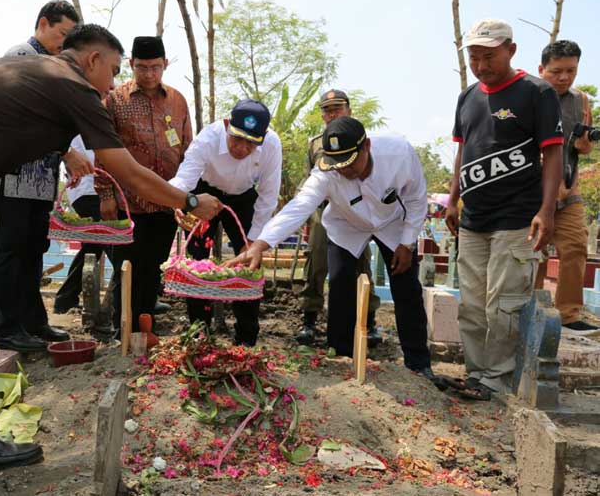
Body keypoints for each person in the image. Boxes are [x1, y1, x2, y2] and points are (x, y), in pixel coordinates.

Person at [0, 23, 222, 475]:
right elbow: (124, 170)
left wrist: (64, 155)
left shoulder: (35, 69)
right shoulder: (74, 85)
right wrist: (188, 200)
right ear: (92, 60)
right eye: (112, 70)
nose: (112, 84)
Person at [229, 117, 432, 374]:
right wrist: (261, 244)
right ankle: (341, 356)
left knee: (406, 288)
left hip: (393, 225)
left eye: (350, 163)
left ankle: (418, 363)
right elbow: (298, 207)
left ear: (366, 146)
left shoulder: (399, 153)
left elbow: (416, 198)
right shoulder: (326, 172)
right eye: (338, 165)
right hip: (345, 225)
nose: (344, 170)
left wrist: (407, 242)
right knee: (339, 284)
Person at [445, 19, 562, 400]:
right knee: (473, 305)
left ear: (511, 50)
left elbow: (553, 151)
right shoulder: (466, 97)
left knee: (504, 305)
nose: (481, 65)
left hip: (517, 217)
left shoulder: (536, 92)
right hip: (475, 217)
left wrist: (547, 210)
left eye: (489, 56)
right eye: (474, 57)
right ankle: (478, 375)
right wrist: (452, 198)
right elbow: (462, 150)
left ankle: (497, 379)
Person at [0, 0, 79, 353]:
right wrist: (65, 150)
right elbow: (24, 118)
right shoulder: (22, 56)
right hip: (14, 174)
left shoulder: (53, 63)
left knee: (33, 250)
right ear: (43, 23)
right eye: (62, 34)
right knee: (9, 250)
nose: (65, 43)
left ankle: (34, 321)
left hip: (40, 179)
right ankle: (8, 327)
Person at [98, 36, 192, 334]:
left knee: (153, 268)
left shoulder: (177, 100)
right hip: (128, 201)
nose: (149, 74)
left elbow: (188, 150)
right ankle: (121, 329)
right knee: (127, 269)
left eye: (155, 67)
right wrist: (106, 193)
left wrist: (185, 196)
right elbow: (102, 150)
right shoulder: (115, 100)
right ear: (131, 65)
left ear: (165, 65)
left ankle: (145, 328)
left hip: (166, 199)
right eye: (142, 67)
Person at [170, 99, 282, 346]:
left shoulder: (273, 145)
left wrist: (253, 242)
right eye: (236, 139)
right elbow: (185, 177)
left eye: (251, 143)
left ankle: (246, 338)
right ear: (226, 125)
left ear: (263, 138)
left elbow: (268, 196)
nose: (241, 148)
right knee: (196, 263)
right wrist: (180, 202)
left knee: (249, 263)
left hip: (243, 198)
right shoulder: (207, 138)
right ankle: (199, 333)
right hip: (204, 192)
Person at [297, 89, 382, 347]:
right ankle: (309, 320)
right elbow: (308, 180)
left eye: (337, 107)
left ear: (349, 110)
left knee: (361, 266)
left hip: (355, 212)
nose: (332, 113)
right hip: (323, 212)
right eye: (327, 109)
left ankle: (369, 320)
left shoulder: (361, 138)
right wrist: (305, 218)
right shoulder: (315, 144)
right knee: (316, 264)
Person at [536, 40, 598, 333]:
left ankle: (569, 316)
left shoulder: (581, 100)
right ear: (542, 69)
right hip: (532, 191)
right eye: (556, 71)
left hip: (568, 188)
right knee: (533, 252)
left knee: (575, 247)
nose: (564, 77)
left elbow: (583, 148)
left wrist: (584, 145)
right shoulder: (529, 97)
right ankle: (530, 311)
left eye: (570, 71)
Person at [52, 135, 108, 313]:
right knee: (103, 240)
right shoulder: (80, 121)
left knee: (93, 244)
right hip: (87, 189)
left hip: (93, 188)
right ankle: (65, 297)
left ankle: (65, 298)